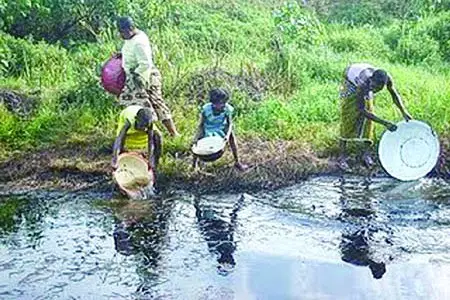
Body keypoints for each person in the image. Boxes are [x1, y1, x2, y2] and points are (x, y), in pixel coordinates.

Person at [339, 63, 412, 167]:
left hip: (365, 83)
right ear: (371, 80)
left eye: (379, 89)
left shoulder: (387, 79)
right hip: (350, 80)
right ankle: (342, 157)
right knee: (349, 116)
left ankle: (366, 155)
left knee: (369, 120)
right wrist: (384, 123)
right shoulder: (363, 83)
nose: (375, 90)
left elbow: (394, 95)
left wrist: (404, 112)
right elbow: (361, 110)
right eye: (373, 87)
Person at [117, 16, 179, 137]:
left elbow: (145, 63)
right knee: (139, 108)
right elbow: (133, 53)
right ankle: (145, 133)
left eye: (122, 32)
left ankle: (172, 133)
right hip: (136, 77)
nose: (121, 35)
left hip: (145, 78)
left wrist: (136, 76)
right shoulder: (132, 37)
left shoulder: (139, 42)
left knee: (156, 104)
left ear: (130, 28)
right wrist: (123, 55)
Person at [192, 88, 248, 171]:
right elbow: (201, 124)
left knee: (232, 138)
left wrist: (227, 135)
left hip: (221, 126)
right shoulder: (206, 109)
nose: (222, 105)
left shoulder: (227, 109)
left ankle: (237, 162)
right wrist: (196, 137)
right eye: (220, 103)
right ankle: (194, 165)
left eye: (224, 103)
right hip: (208, 127)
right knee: (196, 144)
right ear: (213, 103)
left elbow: (230, 124)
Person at [111, 105, 162, 185]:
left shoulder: (149, 123)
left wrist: (150, 159)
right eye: (142, 126)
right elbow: (119, 139)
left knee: (158, 137)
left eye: (146, 127)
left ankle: (155, 167)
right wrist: (115, 159)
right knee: (121, 144)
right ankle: (119, 164)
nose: (144, 129)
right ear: (136, 120)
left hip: (143, 117)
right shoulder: (128, 121)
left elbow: (150, 141)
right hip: (127, 113)